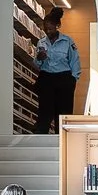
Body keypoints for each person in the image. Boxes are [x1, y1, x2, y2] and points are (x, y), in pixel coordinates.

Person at [32, 7, 80, 137]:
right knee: (45, 110)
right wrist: (39, 58)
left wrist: (73, 79)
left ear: (57, 26)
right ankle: (41, 135)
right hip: (46, 78)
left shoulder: (67, 42)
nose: (48, 32)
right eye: (46, 29)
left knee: (63, 111)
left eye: (51, 29)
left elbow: (75, 61)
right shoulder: (41, 42)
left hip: (64, 78)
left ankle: (63, 137)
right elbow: (36, 65)